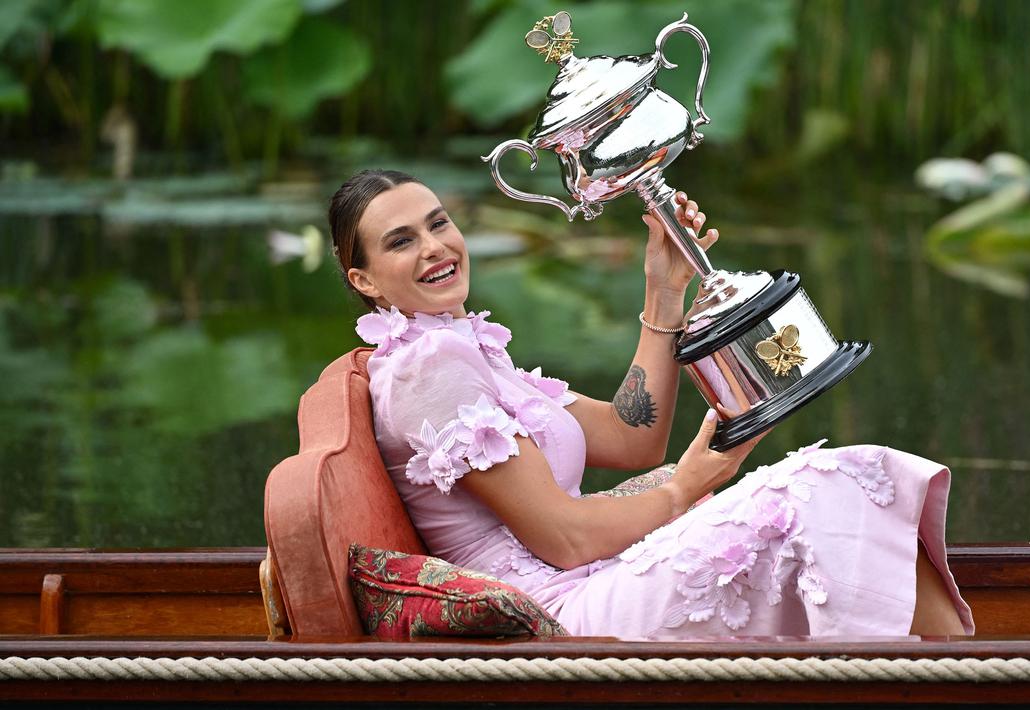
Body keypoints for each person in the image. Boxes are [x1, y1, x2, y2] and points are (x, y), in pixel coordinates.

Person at [329, 168, 974, 637]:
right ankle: (954, 676)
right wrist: (684, 489)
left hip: (592, 575)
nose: (435, 247)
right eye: (401, 241)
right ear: (363, 280)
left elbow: (630, 436)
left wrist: (664, 290)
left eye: (438, 223)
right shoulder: (427, 367)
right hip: (560, 616)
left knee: (841, 482)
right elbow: (565, 538)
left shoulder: (467, 348)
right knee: (824, 485)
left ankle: (951, 672)